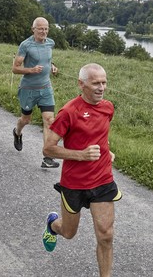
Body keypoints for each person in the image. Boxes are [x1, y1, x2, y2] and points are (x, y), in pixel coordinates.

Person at [42, 63, 121, 277]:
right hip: (74, 183)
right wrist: (81, 155)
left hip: (103, 179)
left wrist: (107, 150)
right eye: (96, 83)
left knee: (106, 235)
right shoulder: (68, 112)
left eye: (104, 82)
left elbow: (100, 134)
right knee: (69, 232)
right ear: (81, 83)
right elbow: (48, 148)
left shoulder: (108, 107)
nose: (101, 87)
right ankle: (52, 225)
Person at [12, 17, 60, 168]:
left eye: (46, 29)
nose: (43, 31)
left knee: (49, 120)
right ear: (33, 29)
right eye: (40, 28)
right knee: (26, 120)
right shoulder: (26, 45)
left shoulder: (50, 43)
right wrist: (31, 70)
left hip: (45, 88)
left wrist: (52, 66)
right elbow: (15, 68)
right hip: (28, 89)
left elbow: (47, 59)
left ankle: (47, 157)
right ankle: (17, 132)